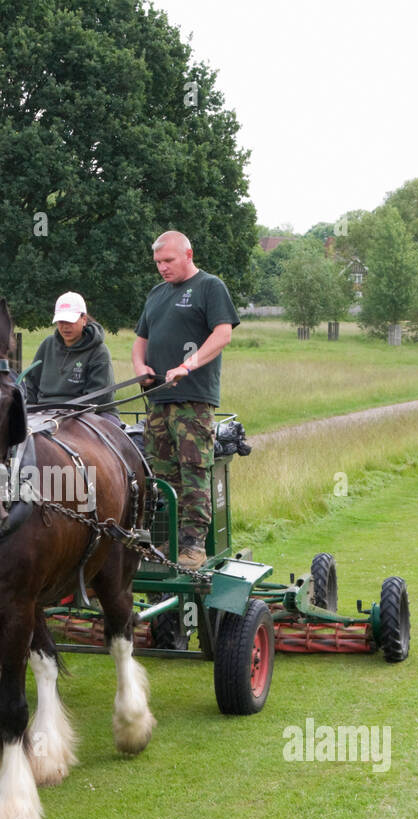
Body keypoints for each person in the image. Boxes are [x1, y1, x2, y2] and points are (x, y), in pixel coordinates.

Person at [130, 231, 239, 569]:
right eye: (158, 263)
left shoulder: (210, 287)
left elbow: (223, 333)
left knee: (193, 469)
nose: (162, 268)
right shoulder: (157, 294)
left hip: (193, 397)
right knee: (161, 471)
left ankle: (193, 545)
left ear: (188, 254)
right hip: (158, 398)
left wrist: (188, 365)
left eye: (168, 261)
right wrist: (141, 367)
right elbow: (139, 340)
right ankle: (166, 538)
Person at [21, 292, 115, 408]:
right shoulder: (47, 345)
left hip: (84, 413)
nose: (65, 326)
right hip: (43, 412)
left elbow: (101, 396)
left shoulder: (99, 351)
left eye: (70, 321)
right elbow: (31, 385)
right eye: (61, 321)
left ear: (84, 319)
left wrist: (68, 411)